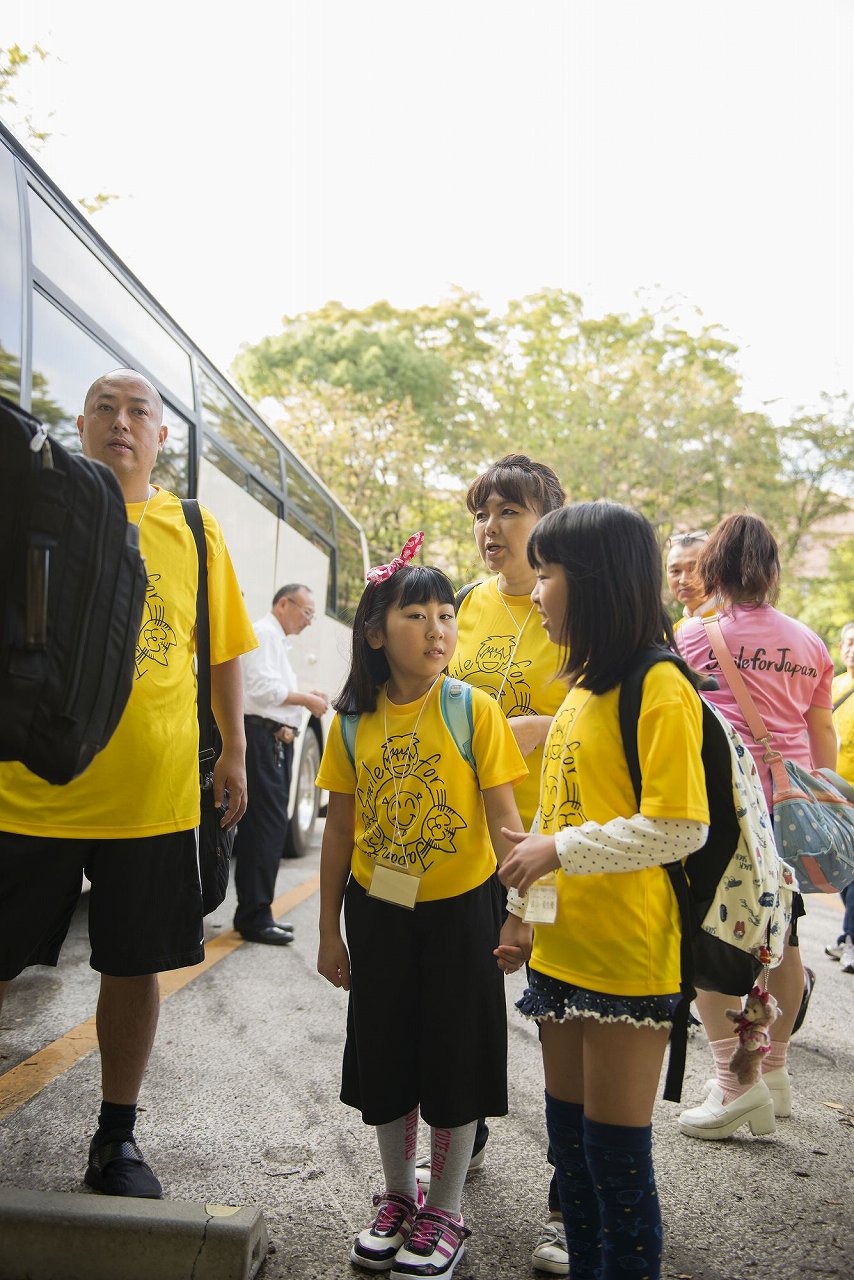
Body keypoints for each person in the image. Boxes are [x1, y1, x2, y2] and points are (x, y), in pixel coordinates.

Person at [0, 369, 256, 1198]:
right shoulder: (36, 508)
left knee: (134, 964)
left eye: (138, 411)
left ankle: (116, 1135)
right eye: (104, 409)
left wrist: (234, 751)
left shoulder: (194, 526)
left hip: (152, 795)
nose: (121, 422)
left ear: (161, 435)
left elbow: (221, 649)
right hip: (27, 788)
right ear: (81, 426)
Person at [498, 500, 710, 1280]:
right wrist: (522, 913)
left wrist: (557, 851)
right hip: (561, 956)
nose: (535, 592)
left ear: (594, 581)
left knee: (616, 1165)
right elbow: (553, 817)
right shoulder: (582, 691)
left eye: (547, 574)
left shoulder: (660, 684)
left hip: (628, 963)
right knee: (572, 1157)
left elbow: (679, 826)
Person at [315, 536, 531, 1280]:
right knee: (385, 1051)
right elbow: (339, 831)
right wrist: (327, 931)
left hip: (462, 914)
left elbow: (508, 826)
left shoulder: (473, 710)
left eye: (446, 614)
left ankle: (445, 1207)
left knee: (454, 1055)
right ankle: (398, 1197)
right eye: (417, 615)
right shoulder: (351, 720)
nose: (438, 629)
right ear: (376, 632)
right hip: (377, 913)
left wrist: (520, 913)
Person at [447, 453, 569, 1276]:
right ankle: (466, 1132)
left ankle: (570, 1193)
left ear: (546, 520)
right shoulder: (465, 602)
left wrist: (538, 730)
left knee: (561, 1010)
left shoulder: (578, 602)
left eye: (509, 512)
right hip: (468, 841)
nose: (490, 529)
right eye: (482, 514)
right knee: (464, 993)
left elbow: (614, 713)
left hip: (556, 843)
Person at [676, 513, 836, 1138]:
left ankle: (733, 1082)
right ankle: (774, 1072)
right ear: (772, 570)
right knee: (785, 940)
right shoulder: (810, 643)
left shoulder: (695, 635)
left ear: (713, 568)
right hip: (787, 811)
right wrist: (816, 794)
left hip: (724, 808)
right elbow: (821, 732)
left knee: (713, 938)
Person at [233, 584, 329, 944]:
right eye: (306, 612)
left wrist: (305, 695)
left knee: (268, 829)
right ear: (284, 603)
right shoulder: (264, 634)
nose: (309, 621)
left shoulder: (274, 638)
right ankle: (255, 916)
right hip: (262, 741)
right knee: (265, 829)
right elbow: (261, 691)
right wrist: (306, 699)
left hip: (270, 742)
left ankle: (258, 912)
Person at [825, 621, 854, 972]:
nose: (852, 649)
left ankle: (850, 938)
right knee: (841, 866)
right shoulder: (835, 685)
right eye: (849, 642)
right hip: (832, 792)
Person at [666, 530, 715, 630]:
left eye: (694, 569)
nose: (683, 580)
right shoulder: (675, 632)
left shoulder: (732, 621)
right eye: (675, 571)